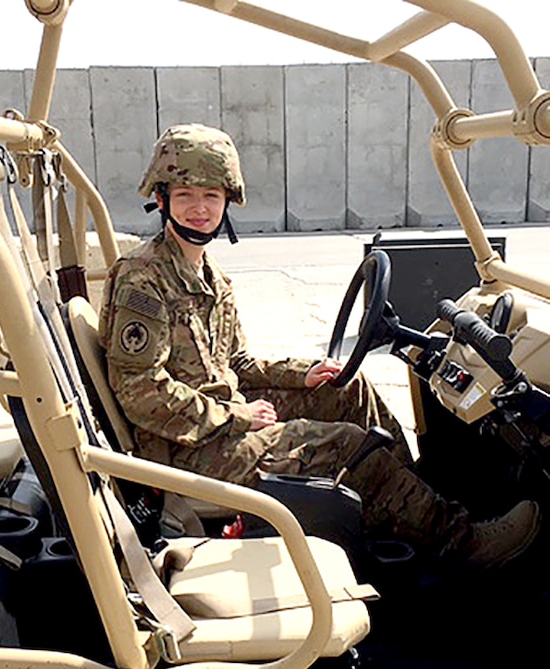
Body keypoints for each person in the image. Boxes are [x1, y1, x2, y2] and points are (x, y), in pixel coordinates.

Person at [98, 123, 539, 569]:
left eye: (211, 196)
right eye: (185, 196)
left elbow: (235, 362)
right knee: (349, 446)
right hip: (186, 450)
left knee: (348, 389)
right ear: (161, 200)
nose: (199, 209)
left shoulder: (210, 277)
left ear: (227, 201)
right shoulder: (143, 278)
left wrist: (301, 374)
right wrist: (236, 417)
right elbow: (141, 390)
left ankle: (412, 498)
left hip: (215, 420)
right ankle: (461, 544)